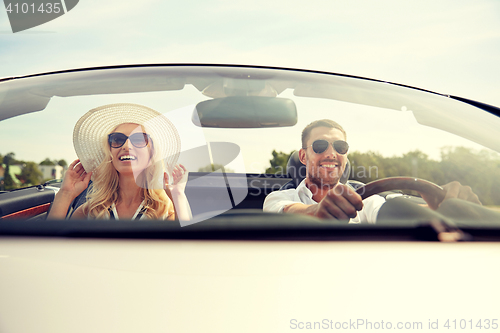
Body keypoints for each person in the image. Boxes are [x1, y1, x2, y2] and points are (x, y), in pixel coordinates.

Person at [263, 119, 481, 223]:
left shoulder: (365, 199)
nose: (331, 153)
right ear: (303, 156)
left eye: (340, 147)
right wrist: (318, 210)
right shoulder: (279, 198)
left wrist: (441, 209)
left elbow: (392, 215)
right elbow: (289, 212)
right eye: (320, 146)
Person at [48, 103, 191, 221]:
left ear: (151, 154)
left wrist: (178, 195)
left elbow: (187, 249)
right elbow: (50, 246)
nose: (126, 146)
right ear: (110, 152)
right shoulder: (91, 209)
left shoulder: (164, 210)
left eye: (139, 140)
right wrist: (66, 193)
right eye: (117, 139)